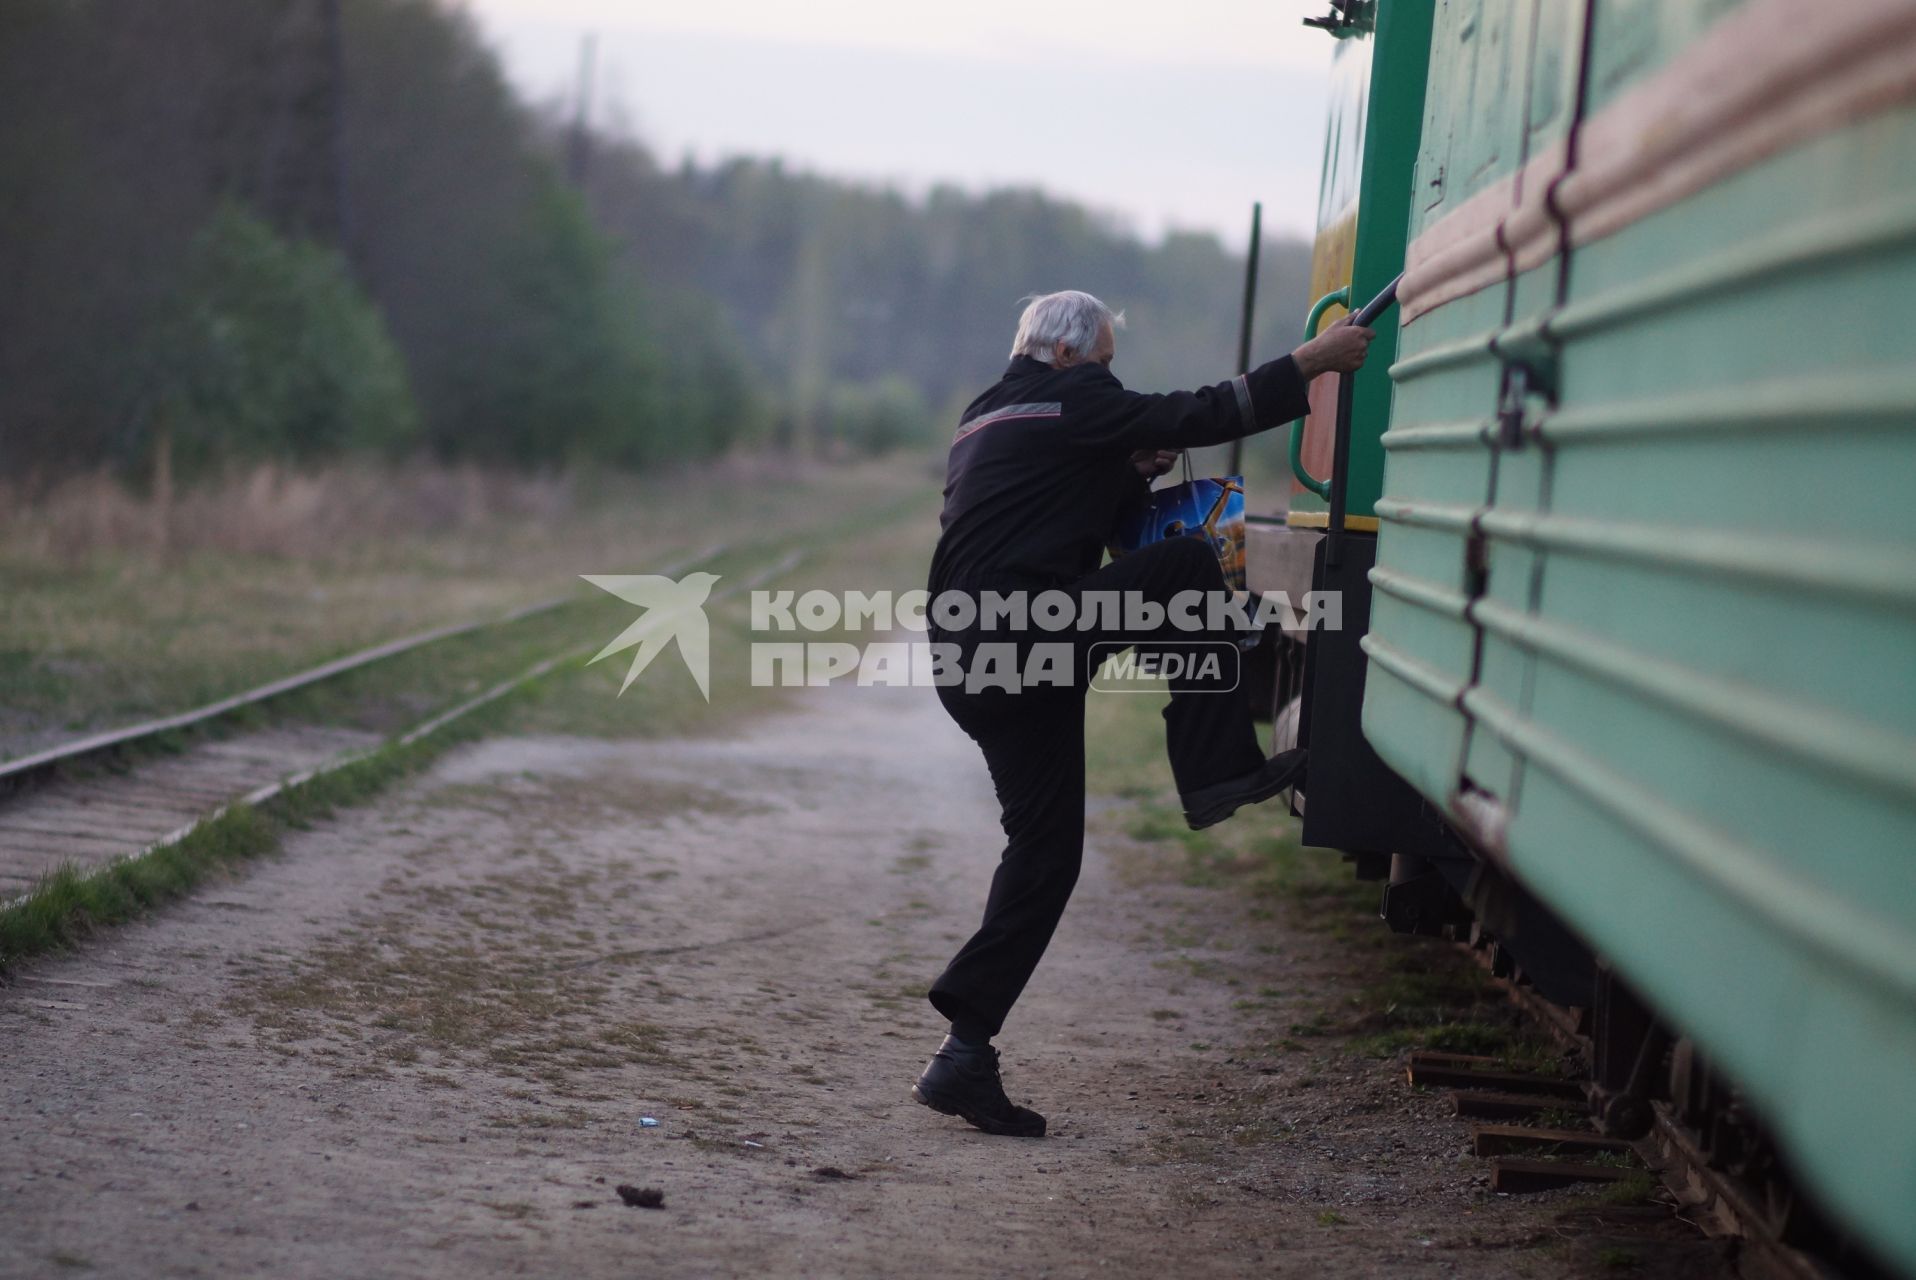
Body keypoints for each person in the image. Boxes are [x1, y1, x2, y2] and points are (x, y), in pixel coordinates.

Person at [912, 289, 1375, 1137]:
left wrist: (1123, 467)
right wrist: (1310, 365)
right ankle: (1216, 770)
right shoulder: (1078, 397)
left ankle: (964, 1053)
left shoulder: (985, 412)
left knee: (1046, 855)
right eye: (1105, 364)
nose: (1111, 383)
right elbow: (1199, 410)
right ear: (1066, 354)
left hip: (974, 658)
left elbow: (1041, 501)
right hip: (1025, 635)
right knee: (1190, 567)